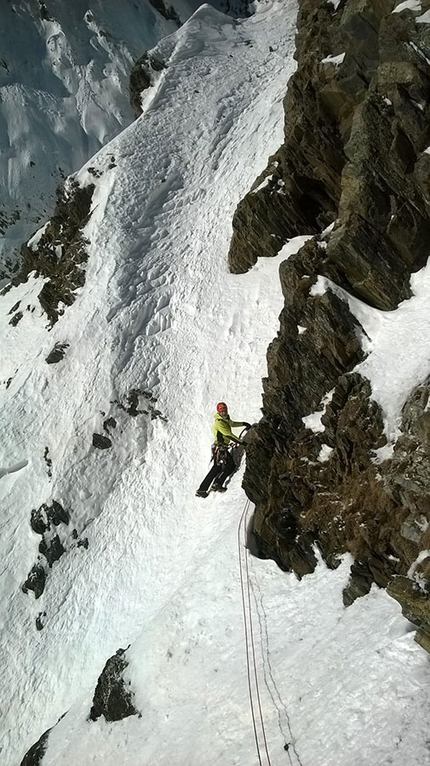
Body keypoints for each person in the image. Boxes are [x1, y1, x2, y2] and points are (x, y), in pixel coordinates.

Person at [195, 402, 251, 497]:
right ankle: (216, 484)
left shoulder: (225, 419)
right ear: (219, 412)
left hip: (220, 447)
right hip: (221, 448)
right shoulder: (219, 422)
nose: (224, 412)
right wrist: (243, 443)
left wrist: (243, 424)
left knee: (217, 468)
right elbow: (229, 435)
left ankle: (205, 488)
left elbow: (232, 424)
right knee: (230, 466)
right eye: (222, 411)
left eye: (225, 410)